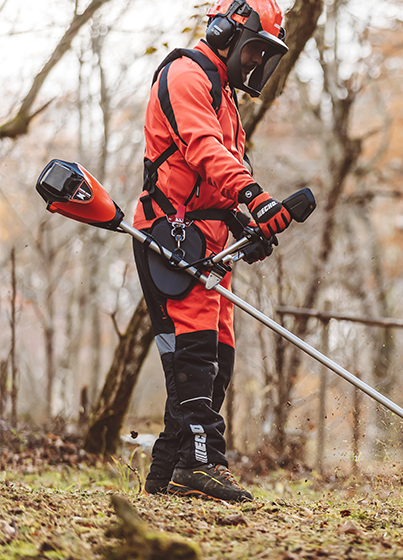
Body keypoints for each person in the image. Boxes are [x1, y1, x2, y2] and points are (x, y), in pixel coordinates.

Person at [132, 0, 291, 502]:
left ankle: (170, 471)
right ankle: (203, 462)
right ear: (227, 30)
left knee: (216, 356)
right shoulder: (185, 74)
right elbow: (202, 147)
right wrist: (254, 195)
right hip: (174, 235)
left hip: (213, 242)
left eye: (266, 54)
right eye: (255, 49)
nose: (256, 62)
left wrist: (249, 223)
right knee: (194, 353)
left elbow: (217, 175)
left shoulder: (226, 97)